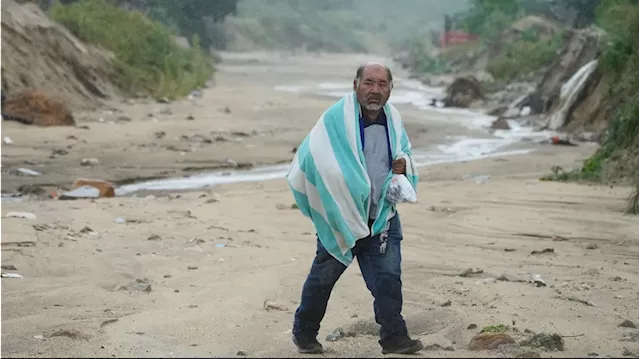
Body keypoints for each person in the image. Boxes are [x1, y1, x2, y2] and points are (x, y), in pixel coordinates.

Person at [288, 62, 423, 355]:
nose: (375, 90)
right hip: (343, 217)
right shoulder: (336, 119)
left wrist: (403, 165)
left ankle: (394, 338)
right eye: (369, 83)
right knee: (322, 279)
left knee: (388, 280)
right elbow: (311, 157)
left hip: (381, 217)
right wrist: (341, 188)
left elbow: (405, 155)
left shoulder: (393, 120)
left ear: (390, 88)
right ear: (356, 85)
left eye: (382, 84)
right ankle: (304, 334)